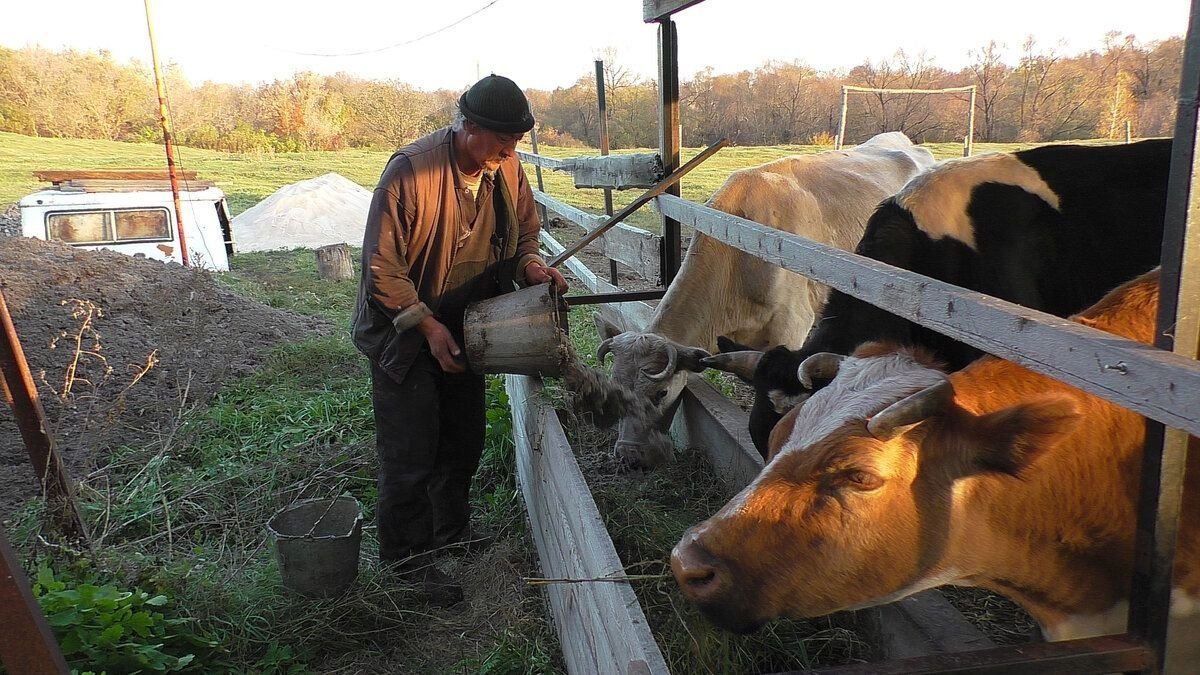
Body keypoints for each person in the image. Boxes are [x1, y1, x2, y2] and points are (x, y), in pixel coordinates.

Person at [351, 74, 567, 605]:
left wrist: (531, 264)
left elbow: (524, 231)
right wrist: (426, 325)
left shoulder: (506, 167)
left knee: (462, 438)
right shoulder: (411, 172)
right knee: (410, 453)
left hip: (470, 324)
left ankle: (450, 531)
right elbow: (382, 267)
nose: (508, 153)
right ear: (468, 126)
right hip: (404, 332)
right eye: (500, 141)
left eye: (514, 143)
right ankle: (408, 565)